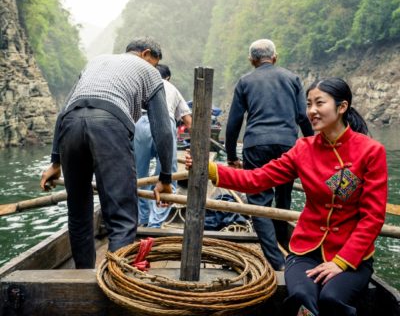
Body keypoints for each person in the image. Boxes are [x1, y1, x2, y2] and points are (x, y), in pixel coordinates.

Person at [186, 77, 388, 316]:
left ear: (342, 107)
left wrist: (341, 262)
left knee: (332, 298)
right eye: (308, 104)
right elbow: (257, 179)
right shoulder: (303, 148)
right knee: (303, 297)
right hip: (305, 251)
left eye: (319, 103)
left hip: (351, 255)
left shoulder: (371, 151)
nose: (311, 111)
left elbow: (372, 217)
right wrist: (209, 170)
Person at [39, 37, 174, 269]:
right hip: (109, 124)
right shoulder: (149, 72)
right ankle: (115, 281)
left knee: (78, 211)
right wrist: (165, 179)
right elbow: (162, 129)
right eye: (154, 62)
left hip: (71, 124)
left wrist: (55, 162)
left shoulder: (96, 62)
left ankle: (82, 277)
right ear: (146, 54)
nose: (154, 67)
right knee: (121, 217)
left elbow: (63, 112)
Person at [225, 38, 313, 271]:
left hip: (256, 145)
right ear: (274, 57)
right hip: (287, 145)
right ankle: (287, 246)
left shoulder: (245, 81)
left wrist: (232, 155)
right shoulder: (292, 78)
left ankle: (277, 261)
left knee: (258, 201)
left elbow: (234, 122)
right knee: (283, 197)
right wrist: (314, 144)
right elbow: (303, 117)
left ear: (252, 60)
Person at [135, 64, 192, 227]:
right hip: (164, 125)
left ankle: (143, 219)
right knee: (167, 175)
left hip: (139, 124)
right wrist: (195, 151)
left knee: (140, 175)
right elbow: (189, 122)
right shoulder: (171, 87)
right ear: (168, 78)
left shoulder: (142, 85)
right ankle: (155, 222)